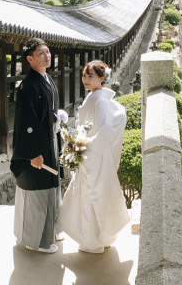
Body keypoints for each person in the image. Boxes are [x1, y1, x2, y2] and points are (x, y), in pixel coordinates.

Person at [58, 59, 130, 253]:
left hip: (92, 155)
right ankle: (101, 237)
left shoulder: (97, 98)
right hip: (93, 154)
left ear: (101, 78)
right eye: (84, 75)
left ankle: (93, 241)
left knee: (90, 196)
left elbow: (105, 128)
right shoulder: (98, 96)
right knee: (95, 195)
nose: (85, 80)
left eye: (90, 76)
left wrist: (87, 148)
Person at [11, 38, 67, 253]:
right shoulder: (28, 86)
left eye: (48, 52)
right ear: (30, 59)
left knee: (51, 186)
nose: (47, 56)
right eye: (41, 53)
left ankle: (51, 230)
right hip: (35, 147)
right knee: (36, 191)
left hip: (49, 142)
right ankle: (35, 241)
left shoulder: (46, 79)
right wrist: (33, 153)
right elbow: (27, 122)